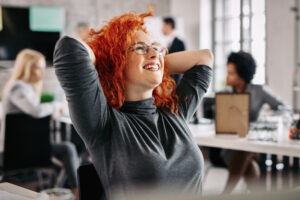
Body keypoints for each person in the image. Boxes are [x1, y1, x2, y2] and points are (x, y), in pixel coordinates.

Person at [54, 8, 213, 199]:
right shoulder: (104, 124)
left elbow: (204, 58)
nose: (154, 52)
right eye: (139, 48)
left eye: (156, 47)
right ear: (117, 61)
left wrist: (156, 62)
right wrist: (110, 63)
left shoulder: (174, 113)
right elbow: (69, 49)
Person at [0, 49, 80, 197]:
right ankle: (76, 191)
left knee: (65, 150)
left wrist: (46, 115)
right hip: (19, 150)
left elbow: (28, 115)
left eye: (44, 68)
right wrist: (58, 106)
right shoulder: (19, 87)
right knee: (68, 148)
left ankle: (66, 189)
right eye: (38, 68)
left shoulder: (25, 88)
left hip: (25, 146)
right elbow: (36, 111)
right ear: (27, 68)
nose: (42, 72)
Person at [213, 51, 289, 193]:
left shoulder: (259, 91)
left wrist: (269, 119)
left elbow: (284, 108)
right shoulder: (225, 93)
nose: (227, 76)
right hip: (230, 146)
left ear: (242, 74)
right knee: (249, 162)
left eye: (231, 73)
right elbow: (217, 118)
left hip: (255, 143)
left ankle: (225, 194)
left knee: (247, 148)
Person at [161, 17, 186, 84]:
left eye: (163, 25)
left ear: (169, 25)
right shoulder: (165, 43)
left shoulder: (180, 43)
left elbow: (183, 63)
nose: (161, 28)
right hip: (167, 80)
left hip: (176, 81)